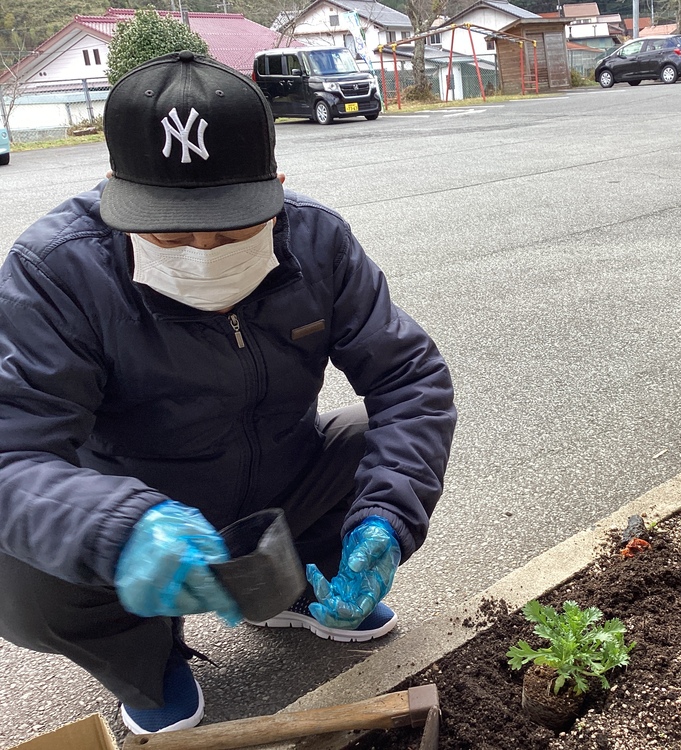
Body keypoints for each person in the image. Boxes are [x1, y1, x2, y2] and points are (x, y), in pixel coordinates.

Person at [0, 51, 456, 735]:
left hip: (275, 477)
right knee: (22, 562)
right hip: (136, 496)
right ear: (115, 190)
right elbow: (11, 451)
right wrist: (118, 527)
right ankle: (144, 661)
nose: (203, 251)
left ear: (275, 186)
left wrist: (388, 516)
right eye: (170, 230)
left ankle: (293, 584)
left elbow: (409, 379)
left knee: (370, 442)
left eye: (233, 226)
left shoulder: (318, 241)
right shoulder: (56, 271)